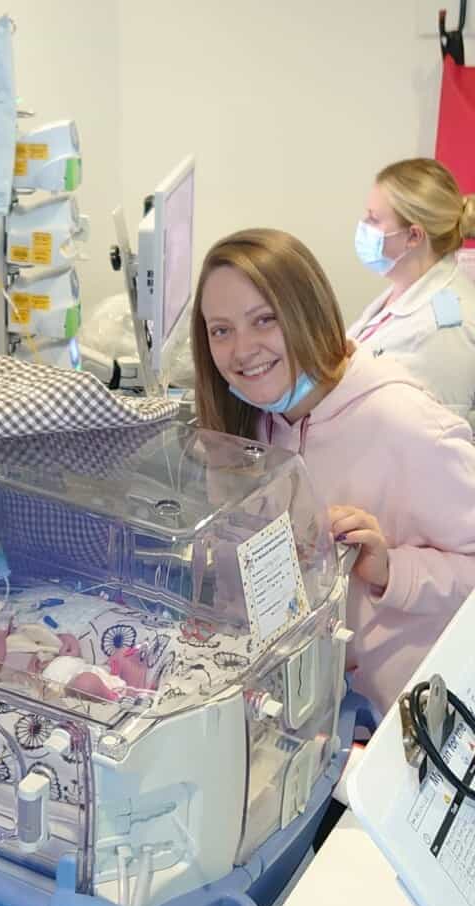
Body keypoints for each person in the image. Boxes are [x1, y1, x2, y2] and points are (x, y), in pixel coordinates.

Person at [191, 227, 475, 716]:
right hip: (299, 699)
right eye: (221, 330)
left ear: (308, 313)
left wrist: (391, 569)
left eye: (264, 320)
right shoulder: (250, 419)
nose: (242, 351)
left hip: (394, 720)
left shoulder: (406, 425)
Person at [349, 157, 475, 423]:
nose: (363, 226)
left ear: (414, 237)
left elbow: (437, 438)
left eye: (373, 219)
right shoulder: (405, 288)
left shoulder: (448, 329)